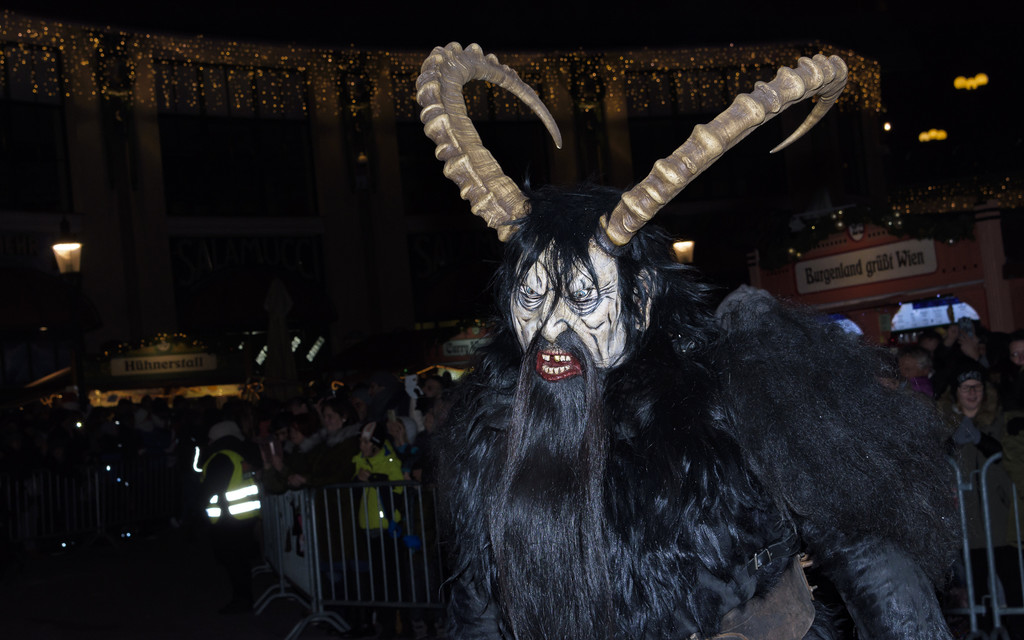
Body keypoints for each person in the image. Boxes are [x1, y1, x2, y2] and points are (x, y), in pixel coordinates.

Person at [418, 42, 958, 639]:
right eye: (531, 296)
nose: (550, 328)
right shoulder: (495, 435)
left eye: (585, 299)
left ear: (642, 299)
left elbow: (869, 557)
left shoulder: (737, 394)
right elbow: (480, 608)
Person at [199, 418, 262, 614]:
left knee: (234, 561)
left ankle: (242, 601)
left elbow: (211, 488)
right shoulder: (240, 455)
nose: (209, 442)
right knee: (240, 561)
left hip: (227, 518)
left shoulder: (221, 458)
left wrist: (200, 508)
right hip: (243, 516)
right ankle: (244, 599)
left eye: (211, 438)